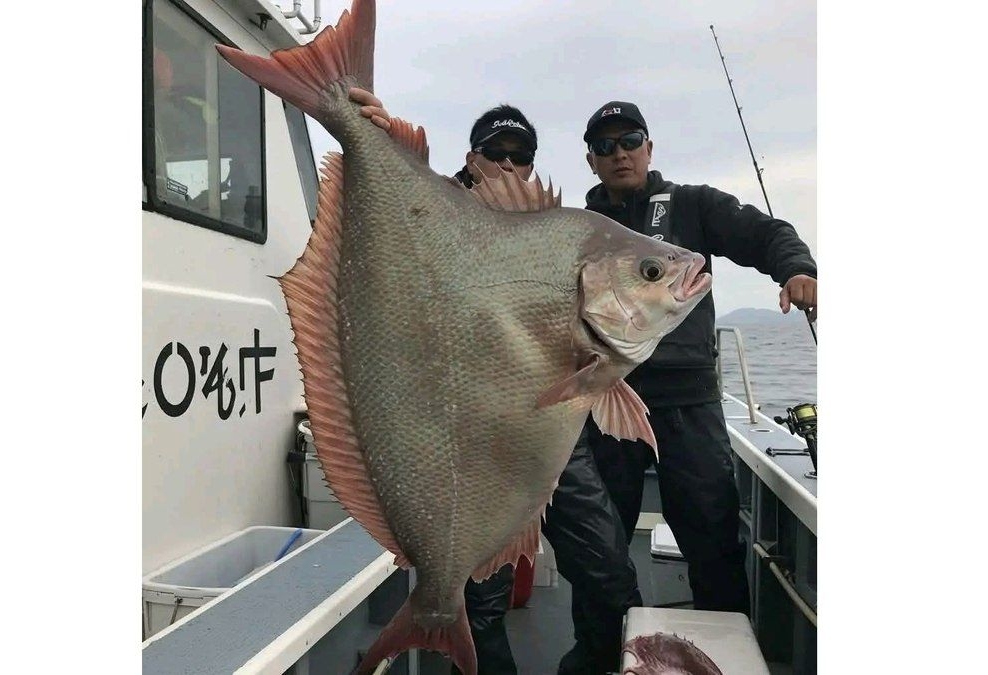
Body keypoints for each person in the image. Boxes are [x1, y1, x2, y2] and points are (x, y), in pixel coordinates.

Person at [350, 88, 644, 675]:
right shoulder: (431, 214)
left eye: (522, 156)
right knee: (478, 598)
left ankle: (586, 665)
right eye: (497, 152)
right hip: (470, 439)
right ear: (471, 157)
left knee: (608, 571)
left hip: (557, 433)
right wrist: (378, 134)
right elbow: (386, 226)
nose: (510, 166)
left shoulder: (548, 229)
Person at [577, 101, 818, 618]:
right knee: (598, 543)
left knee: (712, 535)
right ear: (591, 160)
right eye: (604, 146)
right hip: (607, 402)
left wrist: (795, 269)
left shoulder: (694, 206)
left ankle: (723, 643)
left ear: (649, 147)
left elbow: (767, 234)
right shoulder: (578, 231)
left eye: (630, 140)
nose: (619, 153)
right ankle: (599, 651)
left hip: (689, 401)